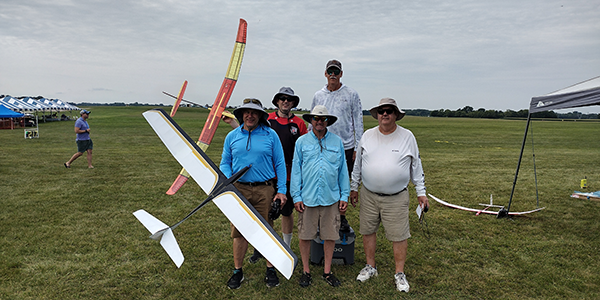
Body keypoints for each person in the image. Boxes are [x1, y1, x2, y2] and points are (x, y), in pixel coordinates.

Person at [349, 97, 429, 293]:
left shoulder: (407, 136)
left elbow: (416, 166)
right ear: (377, 115)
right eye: (382, 111)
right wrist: (354, 187)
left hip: (397, 196)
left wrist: (421, 192)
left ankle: (399, 273)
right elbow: (358, 165)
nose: (385, 114)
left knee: (399, 235)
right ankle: (370, 266)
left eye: (389, 111)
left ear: (395, 115)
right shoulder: (367, 136)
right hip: (369, 194)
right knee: (367, 231)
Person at [219, 98, 288, 289]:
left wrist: (281, 191)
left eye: (254, 112)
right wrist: (227, 178)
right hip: (238, 188)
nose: (250, 115)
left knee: (267, 228)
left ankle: (270, 269)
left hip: (264, 188)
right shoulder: (232, 136)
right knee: (238, 231)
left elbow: (280, 164)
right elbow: (225, 161)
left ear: (260, 115)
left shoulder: (270, 135)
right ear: (241, 115)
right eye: (246, 112)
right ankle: (237, 271)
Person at [245, 87, 308, 264]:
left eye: (289, 99)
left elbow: (305, 148)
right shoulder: (268, 120)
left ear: (293, 102)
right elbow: (250, 133)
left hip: (290, 175)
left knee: (287, 212)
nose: (285, 101)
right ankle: (260, 247)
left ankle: (286, 246)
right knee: (262, 213)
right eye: (282, 98)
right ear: (277, 101)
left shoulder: (299, 123)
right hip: (267, 176)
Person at [291, 105, 349, 288]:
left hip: (331, 197)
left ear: (327, 122)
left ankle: (327, 271)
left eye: (323, 119)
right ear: (311, 121)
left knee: (330, 235)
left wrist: (344, 195)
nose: (319, 122)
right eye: (316, 118)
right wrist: (296, 196)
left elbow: (342, 171)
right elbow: (296, 171)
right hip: (307, 198)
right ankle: (306, 271)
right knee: (305, 235)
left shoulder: (337, 142)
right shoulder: (301, 142)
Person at [311, 59, 363, 231]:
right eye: (330, 72)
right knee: (324, 180)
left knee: (343, 183)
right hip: (323, 145)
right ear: (325, 74)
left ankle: (341, 217)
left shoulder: (351, 94)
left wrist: (357, 147)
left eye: (336, 72)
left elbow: (358, 121)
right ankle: (322, 217)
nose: (333, 75)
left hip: (346, 146)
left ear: (341, 74)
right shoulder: (318, 95)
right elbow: (313, 121)